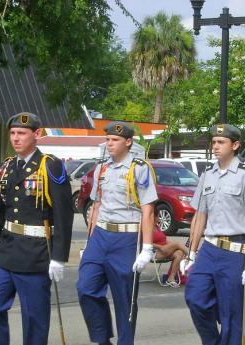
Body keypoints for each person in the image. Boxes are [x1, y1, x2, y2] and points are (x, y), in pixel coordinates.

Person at [0, 112, 73, 345]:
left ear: (36, 135)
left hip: (36, 254)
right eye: (13, 133)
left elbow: (64, 214)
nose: (16, 138)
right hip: (6, 251)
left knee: (34, 319)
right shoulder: (7, 166)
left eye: (22, 133)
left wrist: (58, 257)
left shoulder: (50, 166)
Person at [184, 123, 245, 345]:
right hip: (209, 249)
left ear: (236, 145)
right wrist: (191, 252)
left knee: (231, 313)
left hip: (235, 251)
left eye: (221, 142)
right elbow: (200, 215)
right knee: (195, 297)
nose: (216, 146)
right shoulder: (208, 174)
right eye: (214, 142)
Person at [76, 121, 157, 345]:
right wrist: (89, 241)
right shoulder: (102, 167)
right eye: (108, 140)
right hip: (101, 235)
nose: (109, 144)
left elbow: (148, 209)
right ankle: (102, 339)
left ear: (128, 142)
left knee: (125, 299)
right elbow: (96, 205)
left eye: (115, 140)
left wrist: (147, 248)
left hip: (127, 238)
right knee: (86, 288)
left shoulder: (139, 168)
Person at [153, 219, 188, 288]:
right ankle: (191, 255)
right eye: (158, 216)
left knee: (179, 253)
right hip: (154, 252)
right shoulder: (146, 227)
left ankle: (171, 278)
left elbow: (164, 240)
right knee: (177, 244)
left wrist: (169, 245)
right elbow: (145, 243)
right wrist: (160, 247)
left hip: (164, 249)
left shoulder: (157, 227)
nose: (159, 219)